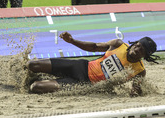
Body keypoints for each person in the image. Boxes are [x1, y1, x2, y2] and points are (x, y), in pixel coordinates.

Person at [26, 32, 159, 96]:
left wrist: (136, 92)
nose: (136, 50)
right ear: (135, 43)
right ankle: (32, 77)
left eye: (141, 51)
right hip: (81, 67)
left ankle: (46, 81)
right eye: (138, 46)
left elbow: (135, 90)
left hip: (84, 85)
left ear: (145, 56)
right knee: (33, 65)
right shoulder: (118, 45)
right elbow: (94, 46)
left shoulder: (139, 71)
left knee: (36, 87)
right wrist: (72, 41)